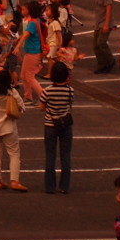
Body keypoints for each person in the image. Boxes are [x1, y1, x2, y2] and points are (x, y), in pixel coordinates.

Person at [40, 61, 74, 194]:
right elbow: (70, 106)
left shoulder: (47, 91)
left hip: (50, 124)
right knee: (65, 155)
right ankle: (64, 186)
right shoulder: (70, 91)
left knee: (50, 155)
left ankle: (50, 186)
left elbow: (42, 107)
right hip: (65, 125)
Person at [14, 1, 45, 104]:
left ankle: (43, 96)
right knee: (24, 75)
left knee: (29, 76)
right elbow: (26, 34)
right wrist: (18, 41)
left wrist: (17, 47)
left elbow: (26, 35)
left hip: (33, 52)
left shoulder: (32, 23)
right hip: (31, 51)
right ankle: (28, 96)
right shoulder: (36, 21)